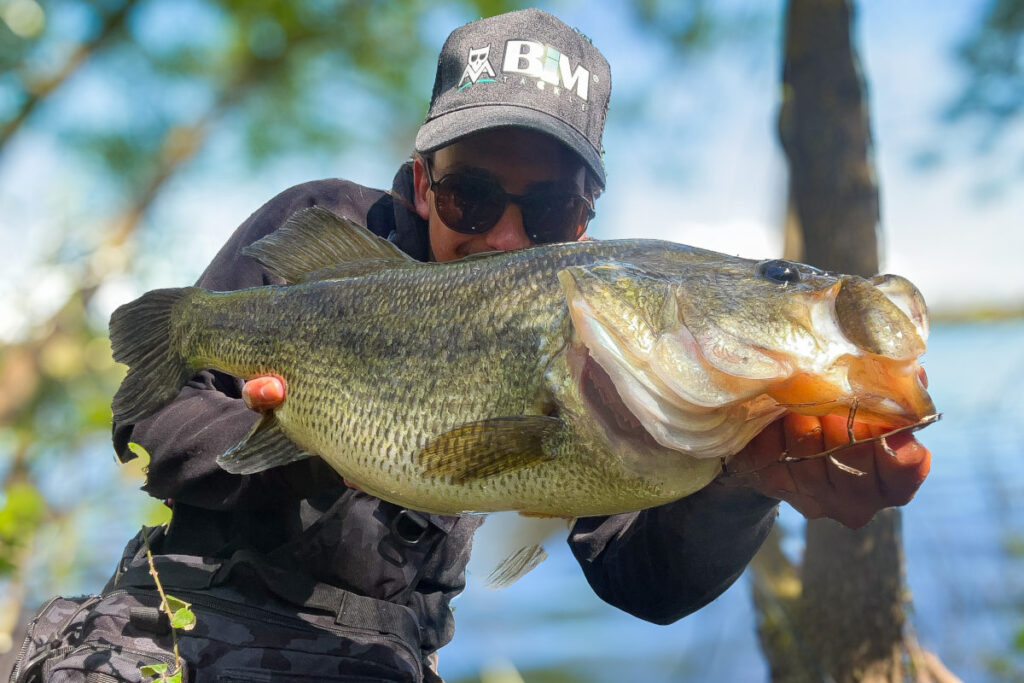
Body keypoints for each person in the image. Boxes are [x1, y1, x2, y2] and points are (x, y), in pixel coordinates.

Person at [10, 9, 930, 683]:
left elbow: (642, 579)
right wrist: (299, 448)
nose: (501, 238)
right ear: (421, 183)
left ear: (586, 222)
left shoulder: (611, 361)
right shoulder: (323, 233)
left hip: (381, 654)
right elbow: (143, 417)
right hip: (196, 605)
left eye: (549, 208)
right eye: (472, 198)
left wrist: (744, 481)